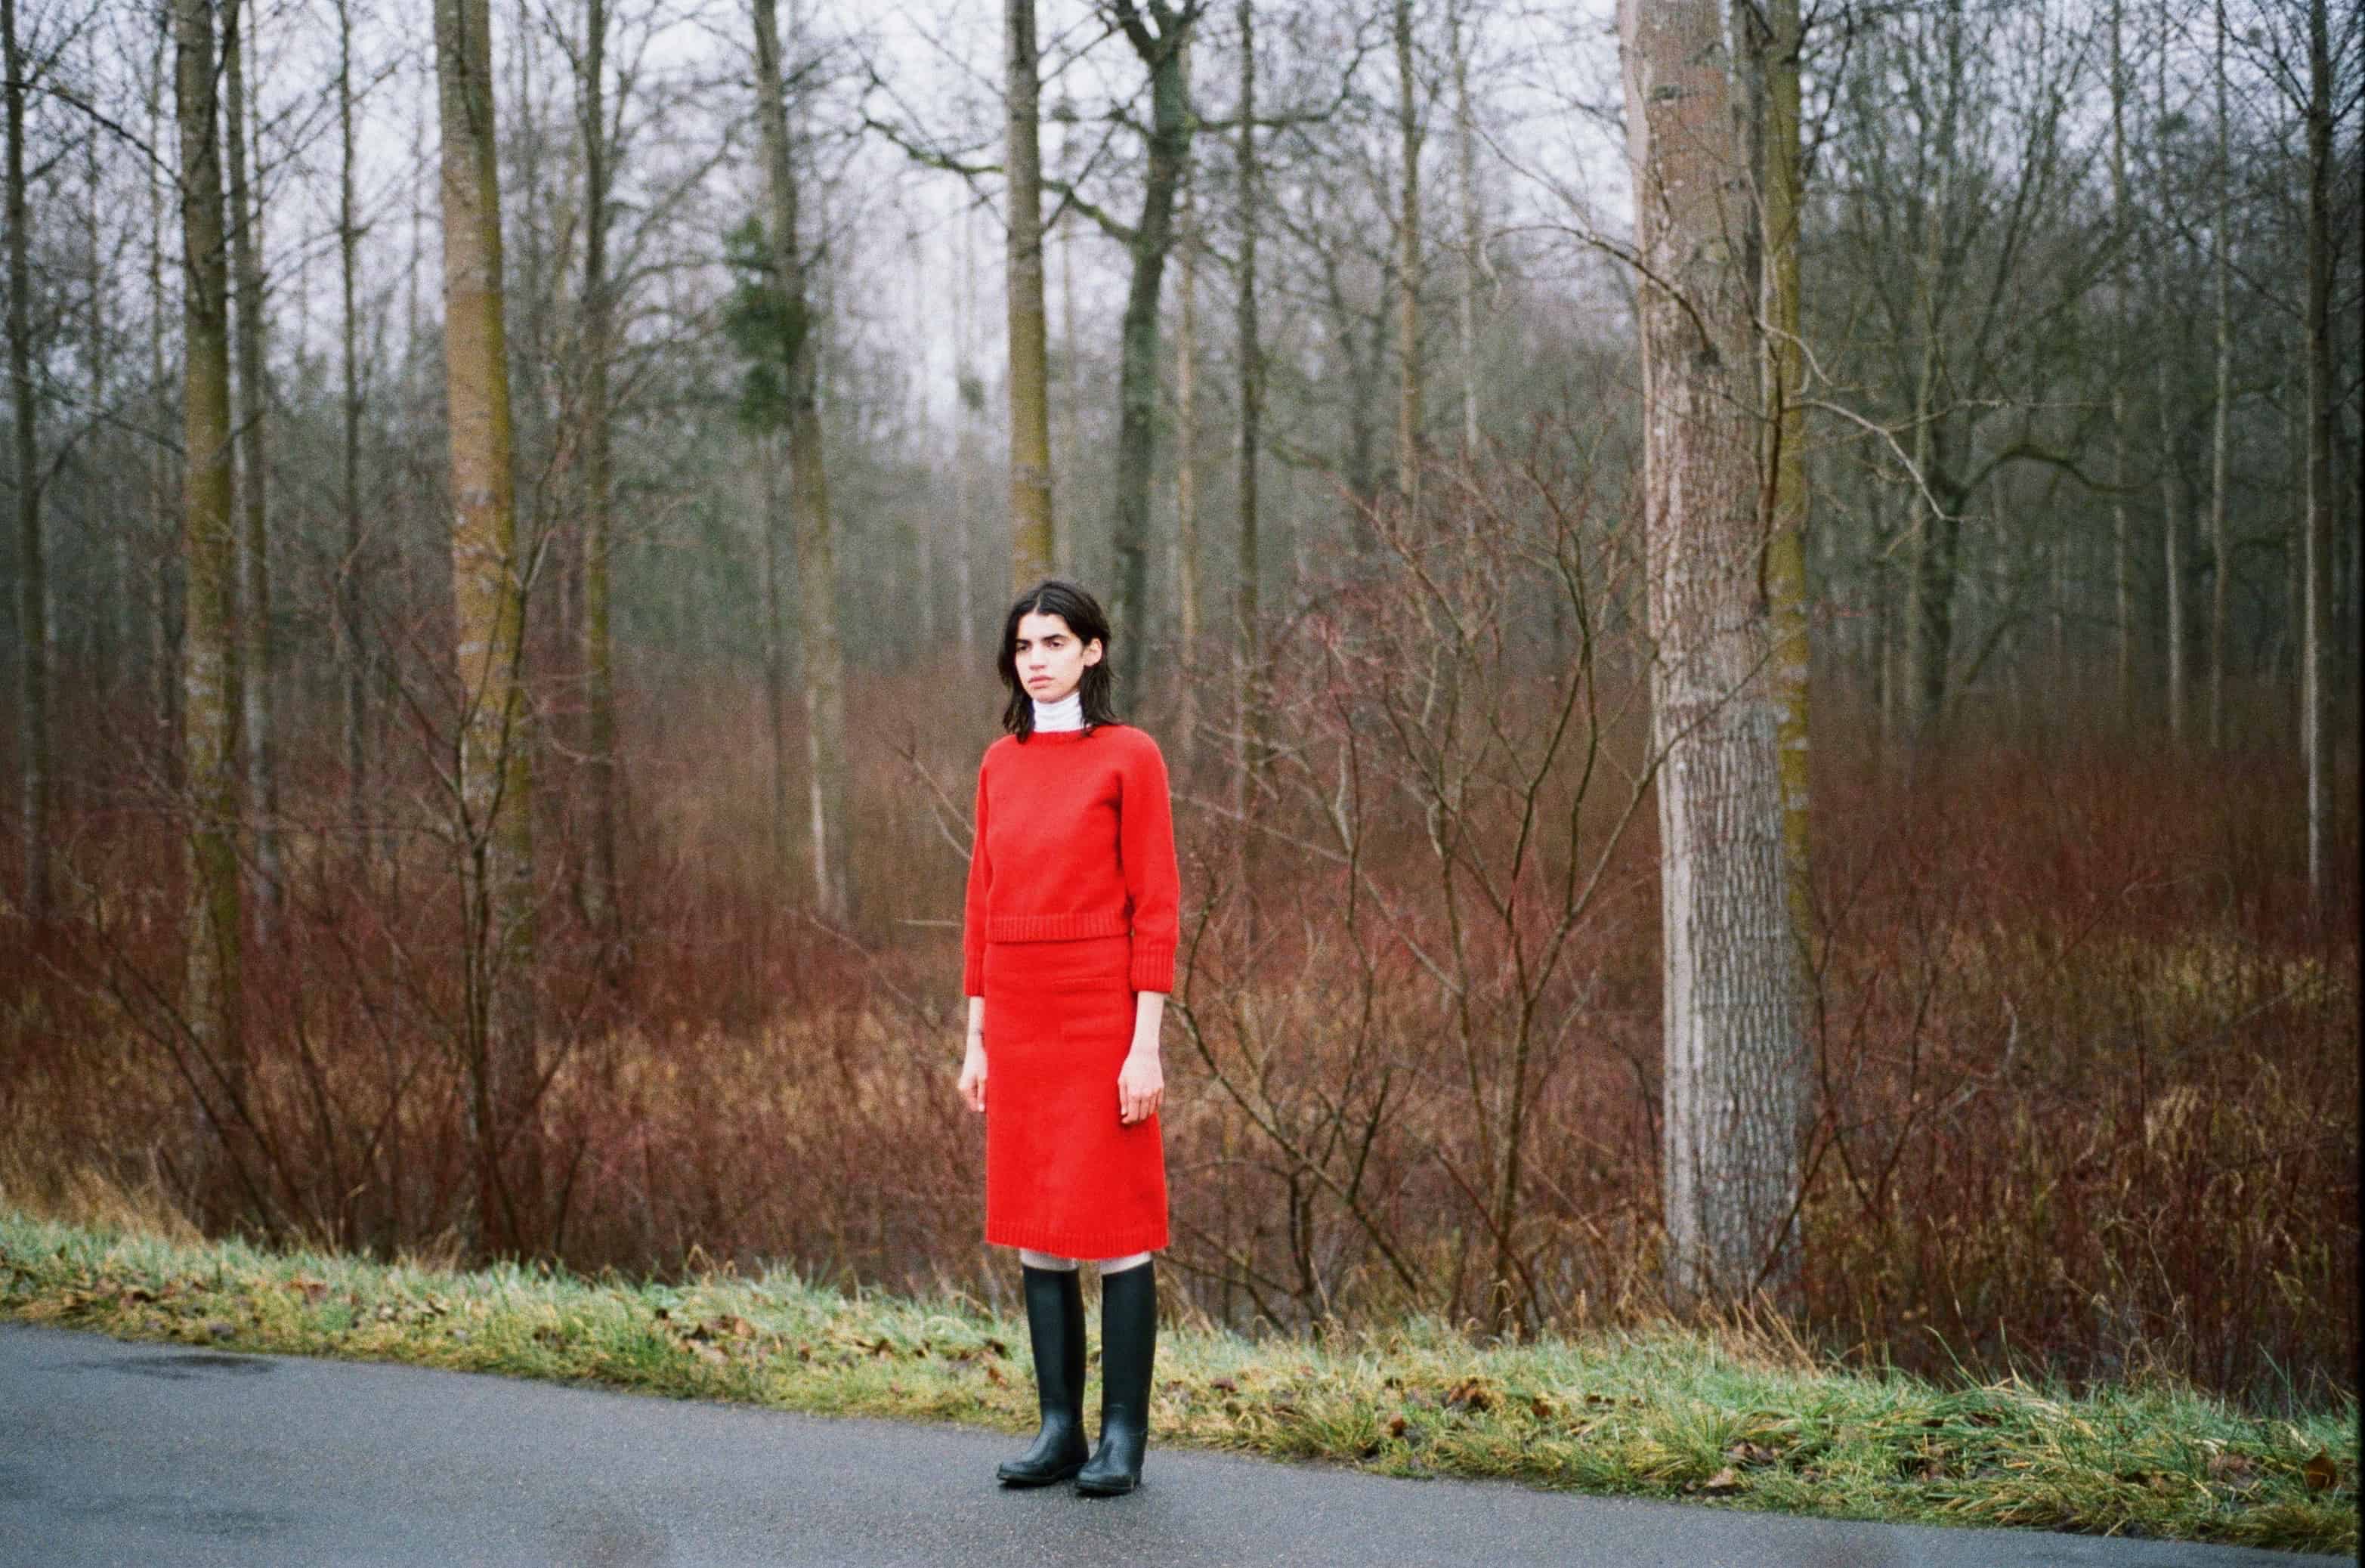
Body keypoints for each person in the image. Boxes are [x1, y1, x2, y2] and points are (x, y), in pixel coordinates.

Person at [957, 579, 1179, 1498]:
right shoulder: (997, 764)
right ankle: (1059, 1428)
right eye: (1023, 645)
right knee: (1037, 1227)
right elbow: (981, 905)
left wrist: (1145, 1043)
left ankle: (1122, 1435)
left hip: (1102, 1014)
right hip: (1017, 1018)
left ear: (1093, 650)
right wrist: (976, 1037)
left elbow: (1156, 904)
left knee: (1117, 1225)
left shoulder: (1131, 755)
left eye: (1054, 641)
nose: (1036, 658)